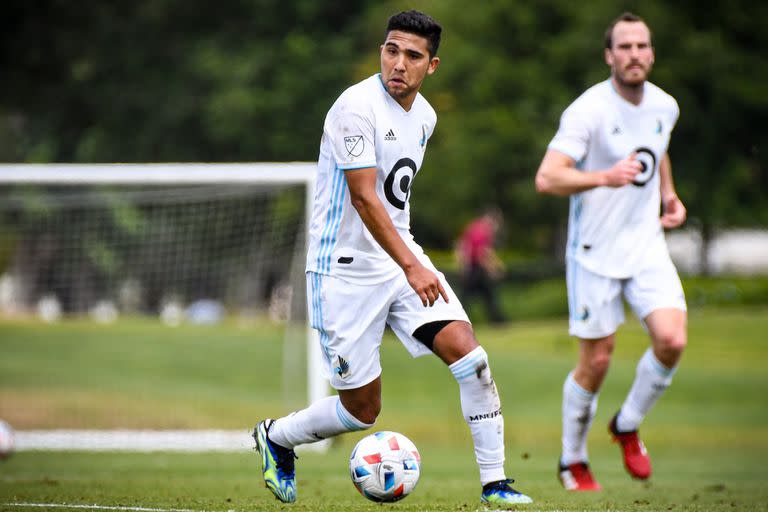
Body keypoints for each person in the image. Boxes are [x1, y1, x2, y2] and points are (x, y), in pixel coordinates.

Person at [253, 10, 532, 506]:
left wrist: (408, 263)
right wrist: (413, 265)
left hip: (400, 263)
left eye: (413, 55)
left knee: (473, 359)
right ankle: (278, 437)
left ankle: (496, 484)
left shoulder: (425, 116)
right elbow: (364, 198)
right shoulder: (353, 108)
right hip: (342, 272)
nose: (398, 63)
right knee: (362, 410)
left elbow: (394, 201)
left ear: (433, 65)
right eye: (391, 50)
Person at [534, 12, 688, 491]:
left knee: (672, 340)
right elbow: (548, 176)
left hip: (645, 247)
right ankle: (572, 460)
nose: (634, 54)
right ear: (609, 56)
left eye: (642, 46)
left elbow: (657, 147)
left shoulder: (665, 105)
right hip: (593, 252)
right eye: (624, 47)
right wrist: (603, 176)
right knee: (597, 362)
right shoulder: (588, 111)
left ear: (652, 53)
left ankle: (626, 424)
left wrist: (668, 195)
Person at [456, 207, 506, 324]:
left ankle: (497, 320)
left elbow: (461, 245)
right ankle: (497, 320)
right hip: (475, 268)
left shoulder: (474, 226)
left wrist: (463, 264)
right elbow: (482, 253)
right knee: (480, 296)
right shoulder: (484, 230)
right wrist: (494, 269)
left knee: (483, 295)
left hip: (471, 267)